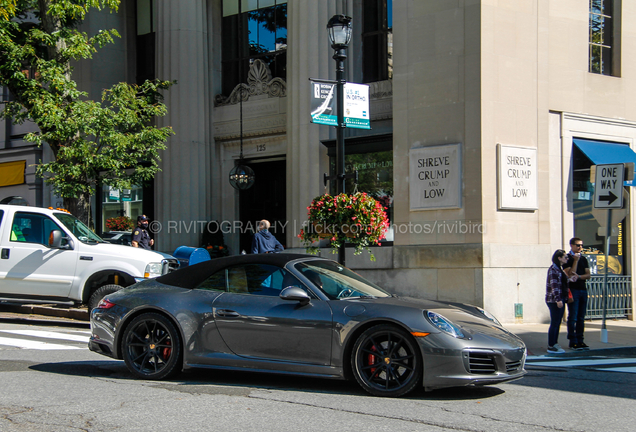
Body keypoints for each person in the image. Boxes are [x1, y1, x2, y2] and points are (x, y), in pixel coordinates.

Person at [563, 237, 591, 350]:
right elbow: (569, 274)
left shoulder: (584, 259)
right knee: (573, 317)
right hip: (573, 290)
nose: (580, 247)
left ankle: (580, 340)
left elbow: (588, 275)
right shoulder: (568, 258)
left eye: (581, 245)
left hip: (583, 289)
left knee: (581, 317)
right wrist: (575, 260)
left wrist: (579, 276)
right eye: (578, 245)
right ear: (572, 245)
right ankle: (573, 340)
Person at [546, 249, 570, 354]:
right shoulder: (553, 270)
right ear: (559, 258)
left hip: (559, 299)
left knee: (557, 322)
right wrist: (558, 299)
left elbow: (561, 283)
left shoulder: (558, 269)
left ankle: (554, 343)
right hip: (554, 300)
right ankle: (551, 344)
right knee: (555, 322)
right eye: (565, 257)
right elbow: (554, 286)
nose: (567, 259)